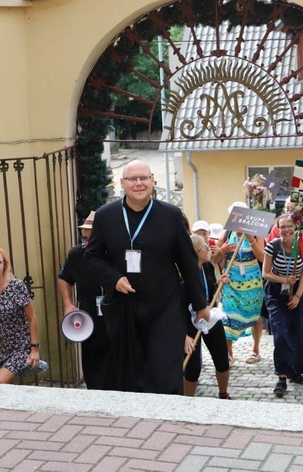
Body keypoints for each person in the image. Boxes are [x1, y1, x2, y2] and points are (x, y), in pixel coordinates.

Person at [85, 159, 210, 394]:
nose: (139, 183)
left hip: (165, 306)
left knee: (164, 371)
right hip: (124, 307)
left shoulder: (172, 216)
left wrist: (200, 303)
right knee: (129, 373)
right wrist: (113, 278)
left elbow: (188, 263)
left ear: (153, 181)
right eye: (132, 179)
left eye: (144, 178)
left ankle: (166, 421)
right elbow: (91, 257)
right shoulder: (105, 216)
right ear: (122, 183)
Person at [0, 244, 43, 384]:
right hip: (1, 347)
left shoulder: (16, 286)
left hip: (21, 346)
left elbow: (32, 318)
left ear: (5, 265)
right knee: (5, 392)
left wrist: (34, 349)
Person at [58, 210, 109, 389]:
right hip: (89, 321)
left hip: (114, 321)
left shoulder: (115, 253)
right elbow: (64, 277)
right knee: (92, 370)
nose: (86, 243)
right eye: (84, 238)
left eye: (90, 238)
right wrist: (67, 303)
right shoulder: (77, 254)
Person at [263, 214, 303, 397]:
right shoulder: (272, 246)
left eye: (289, 226)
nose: (286, 230)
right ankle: (281, 376)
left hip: (297, 291)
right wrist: (284, 279)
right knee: (281, 333)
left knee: (298, 332)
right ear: (277, 229)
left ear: (295, 227)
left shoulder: (302, 244)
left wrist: (298, 295)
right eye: (282, 227)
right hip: (276, 293)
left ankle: (295, 370)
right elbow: (266, 273)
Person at [213, 202, 265, 366]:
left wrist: (251, 240)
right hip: (231, 281)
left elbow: (262, 257)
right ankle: (229, 354)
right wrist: (223, 251)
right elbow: (214, 260)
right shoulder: (226, 233)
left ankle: (255, 350)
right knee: (227, 316)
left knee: (254, 315)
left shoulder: (256, 233)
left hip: (252, 281)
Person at [184, 234, 232, 399]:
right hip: (189, 321)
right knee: (193, 367)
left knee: (222, 358)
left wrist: (219, 284)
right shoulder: (182, 274)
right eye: (204, 246)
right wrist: (184, 335)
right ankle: (186, 401)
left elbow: (210, 290)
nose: (208, 248)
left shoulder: (207, 267)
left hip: (210, 316)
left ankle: (223, 393)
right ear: (196, 251)